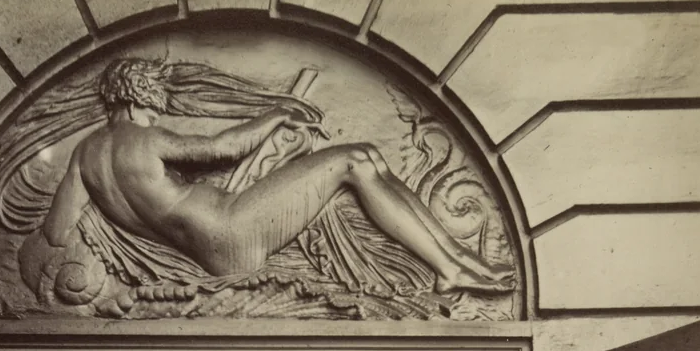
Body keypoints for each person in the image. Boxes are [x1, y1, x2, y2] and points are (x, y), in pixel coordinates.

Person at [42, 57, 513, 293]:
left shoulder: (85, 156)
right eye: (156, 90)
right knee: (357, 160)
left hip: (213, 247)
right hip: (233, 229)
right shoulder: (143, 139)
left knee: (366, 156)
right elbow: (222, 148)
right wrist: (275, 113)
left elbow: (57, 230)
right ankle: (452, 266)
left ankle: (456, 262)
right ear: (140, 94)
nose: (162, 99)